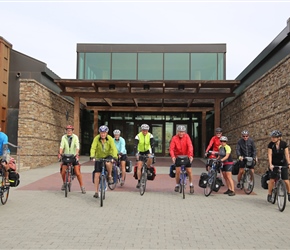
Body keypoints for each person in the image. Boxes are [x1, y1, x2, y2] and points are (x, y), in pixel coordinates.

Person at [90, 125, 118, 198]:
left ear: (107, 133)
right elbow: (93, 147)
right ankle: (96, 192)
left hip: (108, 155)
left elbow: (114, 148)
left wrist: (115, 157)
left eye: (104, 133)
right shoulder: (96, 138)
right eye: (101, 133)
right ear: (99, 133)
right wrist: (92, 156)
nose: (103, 134)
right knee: (96, 174)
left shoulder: (110, 139)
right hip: (99, 157)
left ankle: (109, 175)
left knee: (108, 163)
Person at [58, 125, 86, 194]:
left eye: (70, 130)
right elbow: (62, 146)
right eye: (67, 130)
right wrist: (60, 154)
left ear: (73, 131)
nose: (69, 131)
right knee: (63, 171)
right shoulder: (63, 137)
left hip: (73, 156)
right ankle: (64, 183)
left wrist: (76, 154)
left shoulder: (75, 137)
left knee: (77, 172)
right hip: (66, 156)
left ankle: (82, 187)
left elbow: (77, 146)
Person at [169, 125, 194, 193]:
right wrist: (173, 157)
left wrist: (190, 155)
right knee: (177, 171)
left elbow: (190, 146)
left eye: (182, 132)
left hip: (186, 156)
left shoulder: (187, 137)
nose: (181, 133)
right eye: (180, 132)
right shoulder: (174, 138)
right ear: (178, 132)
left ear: (184, 132)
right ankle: (177, 185)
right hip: (178, 156)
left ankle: (191, 185)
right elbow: (171, 148)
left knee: (189, 171)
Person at [267, 130, 290, 202]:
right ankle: (269, 194)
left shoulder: (284, 144)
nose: (273, 138)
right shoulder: (270, 144)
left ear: (279, 138)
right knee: (272, 180)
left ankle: (289, 193)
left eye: (274, 137)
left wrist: (289, 163)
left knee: (286, 180)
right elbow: (270, 154)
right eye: (272, 137)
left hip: (283, 163)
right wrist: (270, 164)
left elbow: (286, 154)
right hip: (274, 163)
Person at [134, 124, 155, 189]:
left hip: (147, 150)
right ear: (141, 130)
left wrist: (153, 153)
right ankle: (139, 181)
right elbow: (135, 145)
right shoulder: (138, 136)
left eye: (146, 130)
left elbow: (152, 145)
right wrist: (136, 154)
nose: (145, 132)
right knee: (139, 166)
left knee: (150, 158)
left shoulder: (150, 135)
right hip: (140, 151)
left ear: (148, 130)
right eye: (143, 130)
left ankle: (148, 168)